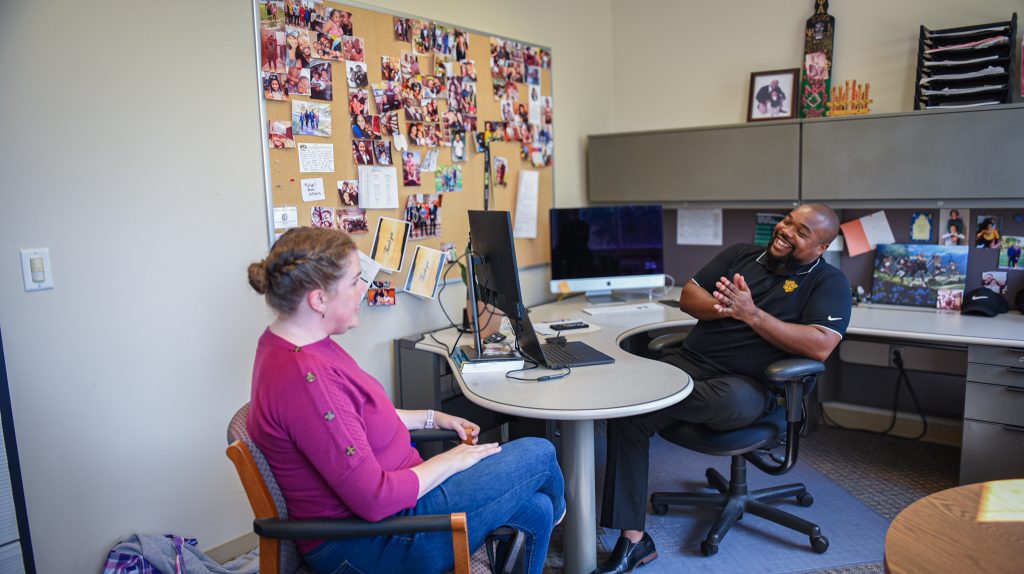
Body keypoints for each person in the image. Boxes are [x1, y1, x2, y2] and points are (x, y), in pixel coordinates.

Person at [247, 228, 564, 574]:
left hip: (398, 510)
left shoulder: (291, 343)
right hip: (376, 541)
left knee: (537, 510)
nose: (362, 290)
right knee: (540, 454)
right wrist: (453, 461)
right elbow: (375, 498)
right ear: (318, 299)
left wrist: (432, 418)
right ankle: (563, 512)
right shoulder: (307, 381)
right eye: (355, 282)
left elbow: (356, 417)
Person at [593, 204, 851, 574]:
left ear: (820, 248)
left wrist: (752, 313)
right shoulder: (741, 255)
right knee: (630, 409)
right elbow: (689, 298)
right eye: (788, 221)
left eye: (802, 231)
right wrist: (727, 306)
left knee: (670, 402)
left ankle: (653, 400)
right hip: (690, 363)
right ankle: (634, 539)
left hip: (749, 386)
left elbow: (820, 344)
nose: (786, 231)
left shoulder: (828, 282)